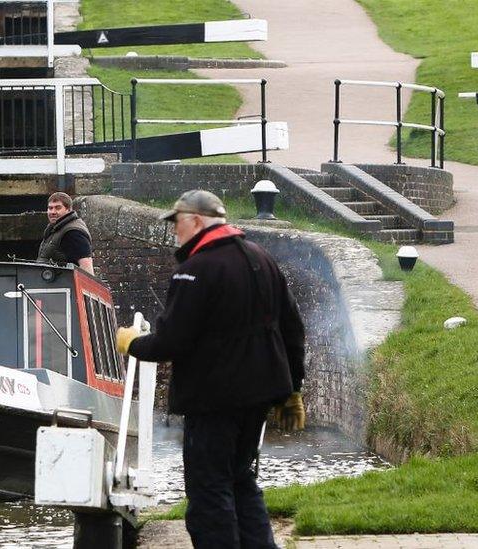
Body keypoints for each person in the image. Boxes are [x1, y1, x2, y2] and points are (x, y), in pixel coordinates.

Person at [115, 189, 306, 548]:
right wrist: (291, 389)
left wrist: (132, 344)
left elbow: (173, 342)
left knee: (208, 493)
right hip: (260, 396)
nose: (174, 232)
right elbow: (293, 330)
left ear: (197, 222)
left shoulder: (194, 271)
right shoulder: (262, 259)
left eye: (177, 224)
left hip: (213, 400)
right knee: (239, 479)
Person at [37, 192, 94, 275]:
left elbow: (86, 264)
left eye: (58, 208)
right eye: (50, 208)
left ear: (68, 209)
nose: (53, 212)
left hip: (64, 285)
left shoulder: (73, 232)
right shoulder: (56, 228)